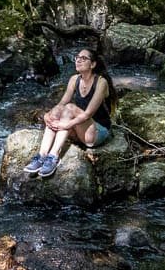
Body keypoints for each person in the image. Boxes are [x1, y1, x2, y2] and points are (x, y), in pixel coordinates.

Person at [24, 48, 113, 178]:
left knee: (70, 107)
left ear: (93, 64)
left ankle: (54, 156)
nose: (78, 60)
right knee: (58, 111)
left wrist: (67, 125)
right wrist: (49, 115)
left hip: (97, 132)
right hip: (81, 129)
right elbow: (61, 103)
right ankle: (42, 156)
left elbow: (88, 114)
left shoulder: (101, 82)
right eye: (77, 57)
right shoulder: (74, 79)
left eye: (83, 58)